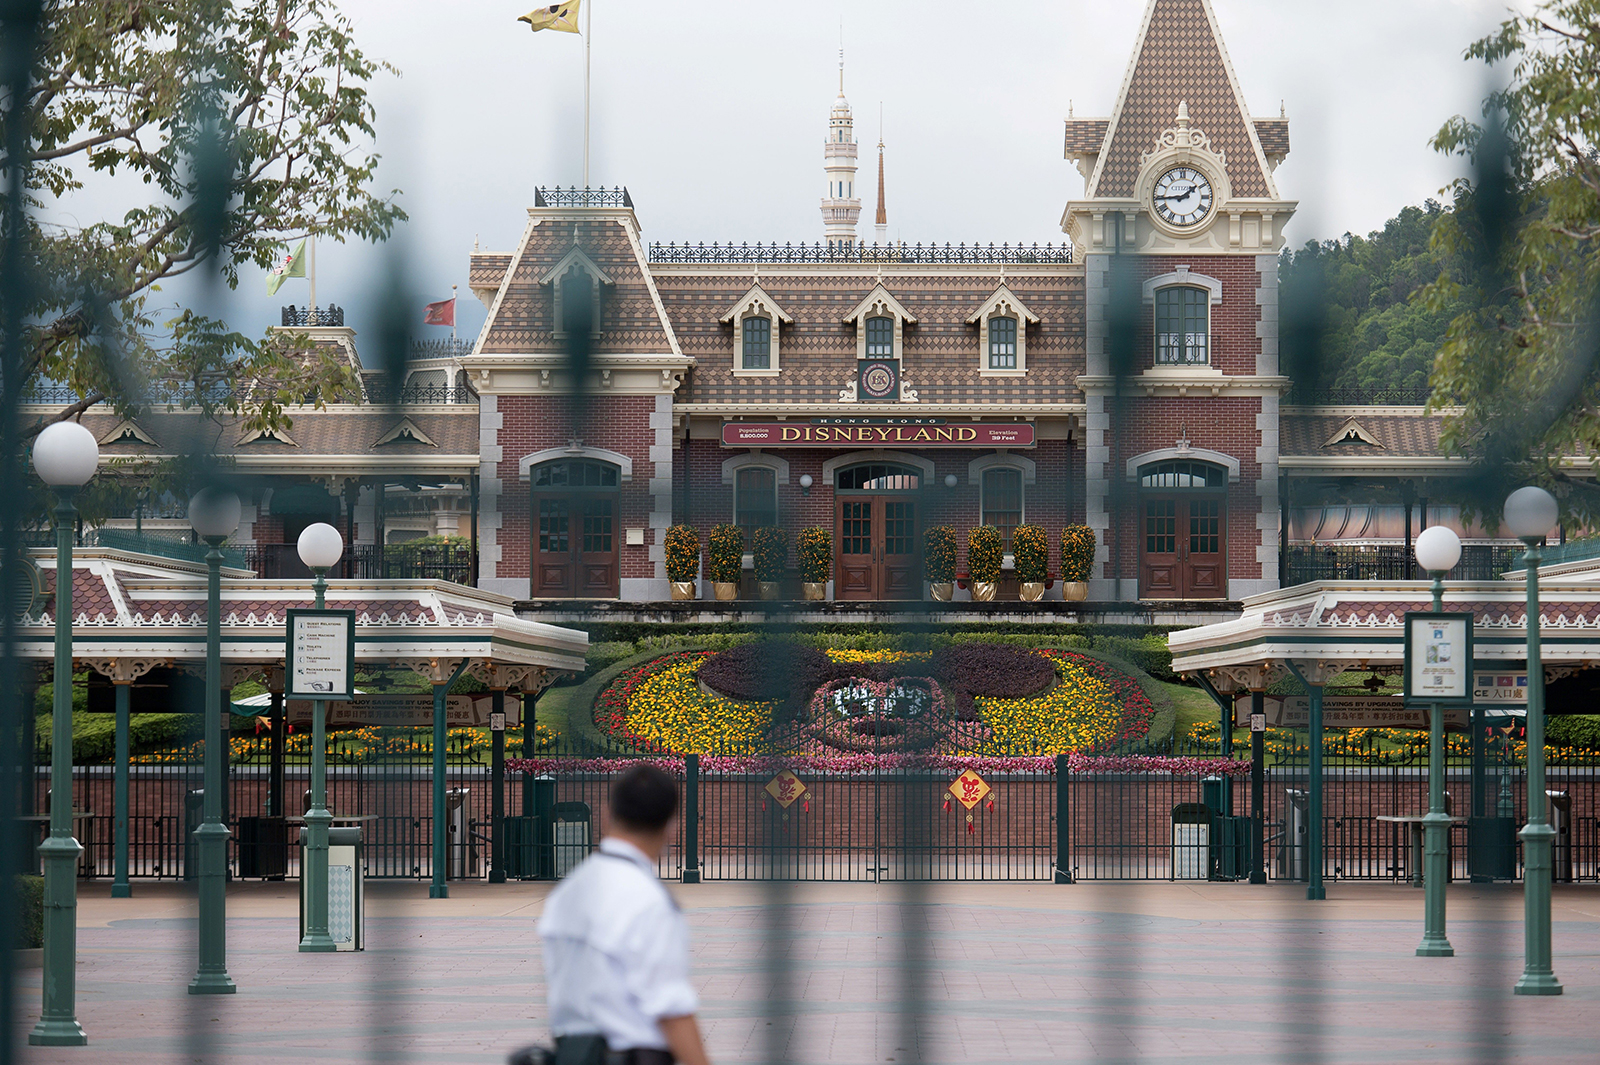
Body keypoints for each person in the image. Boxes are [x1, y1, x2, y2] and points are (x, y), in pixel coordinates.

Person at [528, 765, 712, 1065]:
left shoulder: (567, 892)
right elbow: (671, 1009)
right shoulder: (649, 900)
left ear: (605, 814)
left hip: (570, 1054)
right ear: (671, 825)